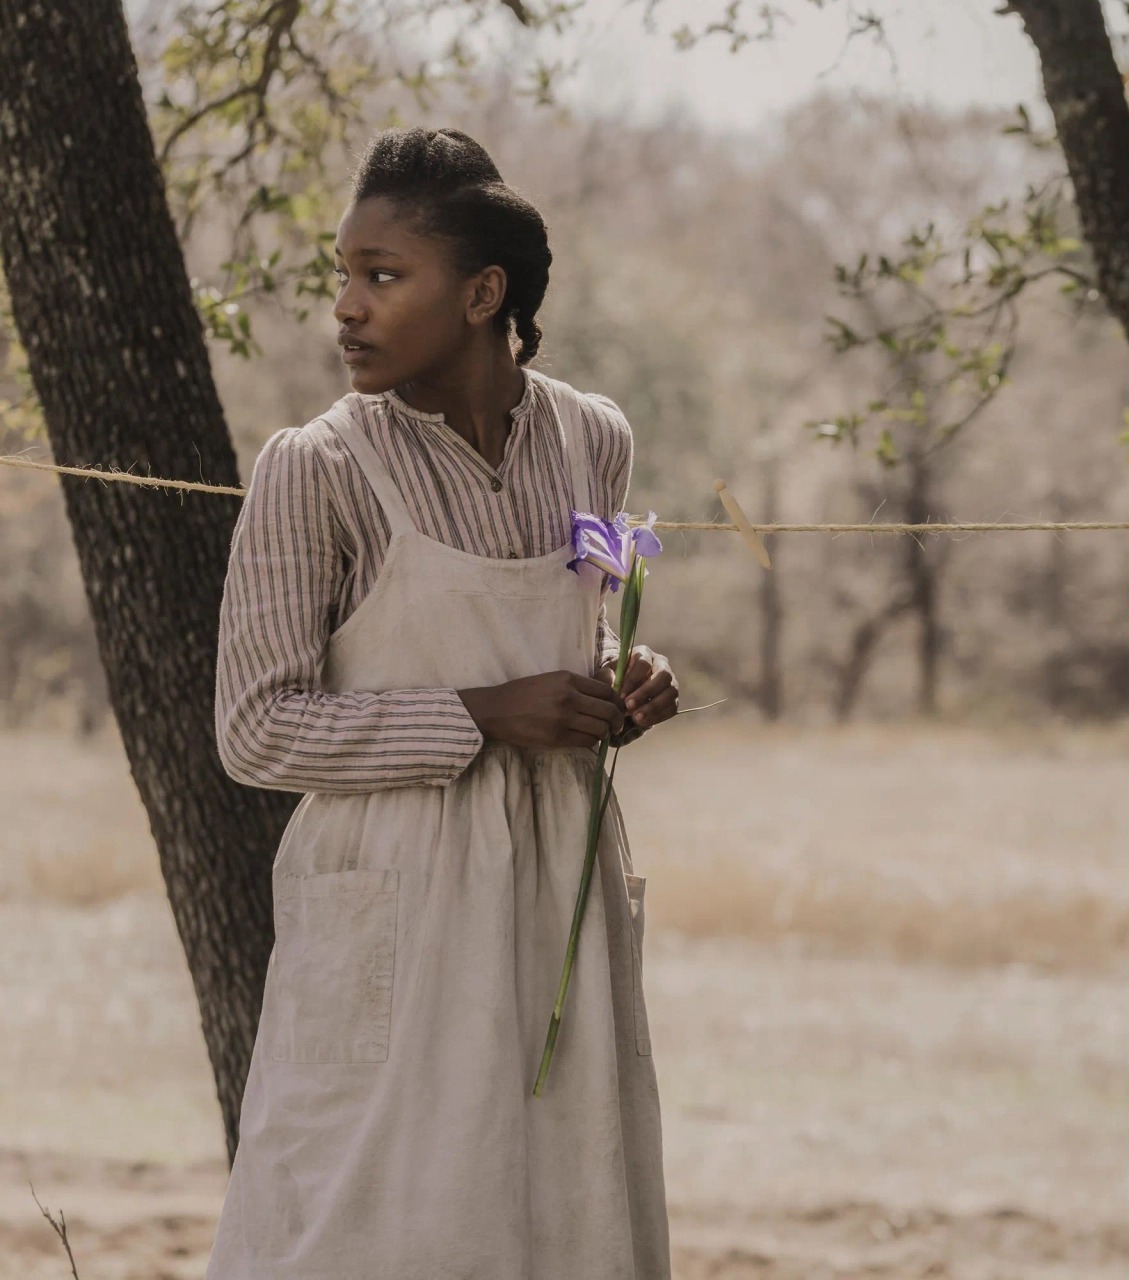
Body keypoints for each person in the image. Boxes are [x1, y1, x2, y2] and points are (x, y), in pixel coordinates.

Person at [207, 127, 676, 1279]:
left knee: (563, 1206)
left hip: (557, 889)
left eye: (383, 275)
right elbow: (256, 726)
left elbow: (589, 612)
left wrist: (632, 671)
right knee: (369, 1218)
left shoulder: (591, 439)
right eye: (344, 277)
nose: (348, 309)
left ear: (482, 293)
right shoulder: (315, 467)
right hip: (395, 905)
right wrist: (479, 713)